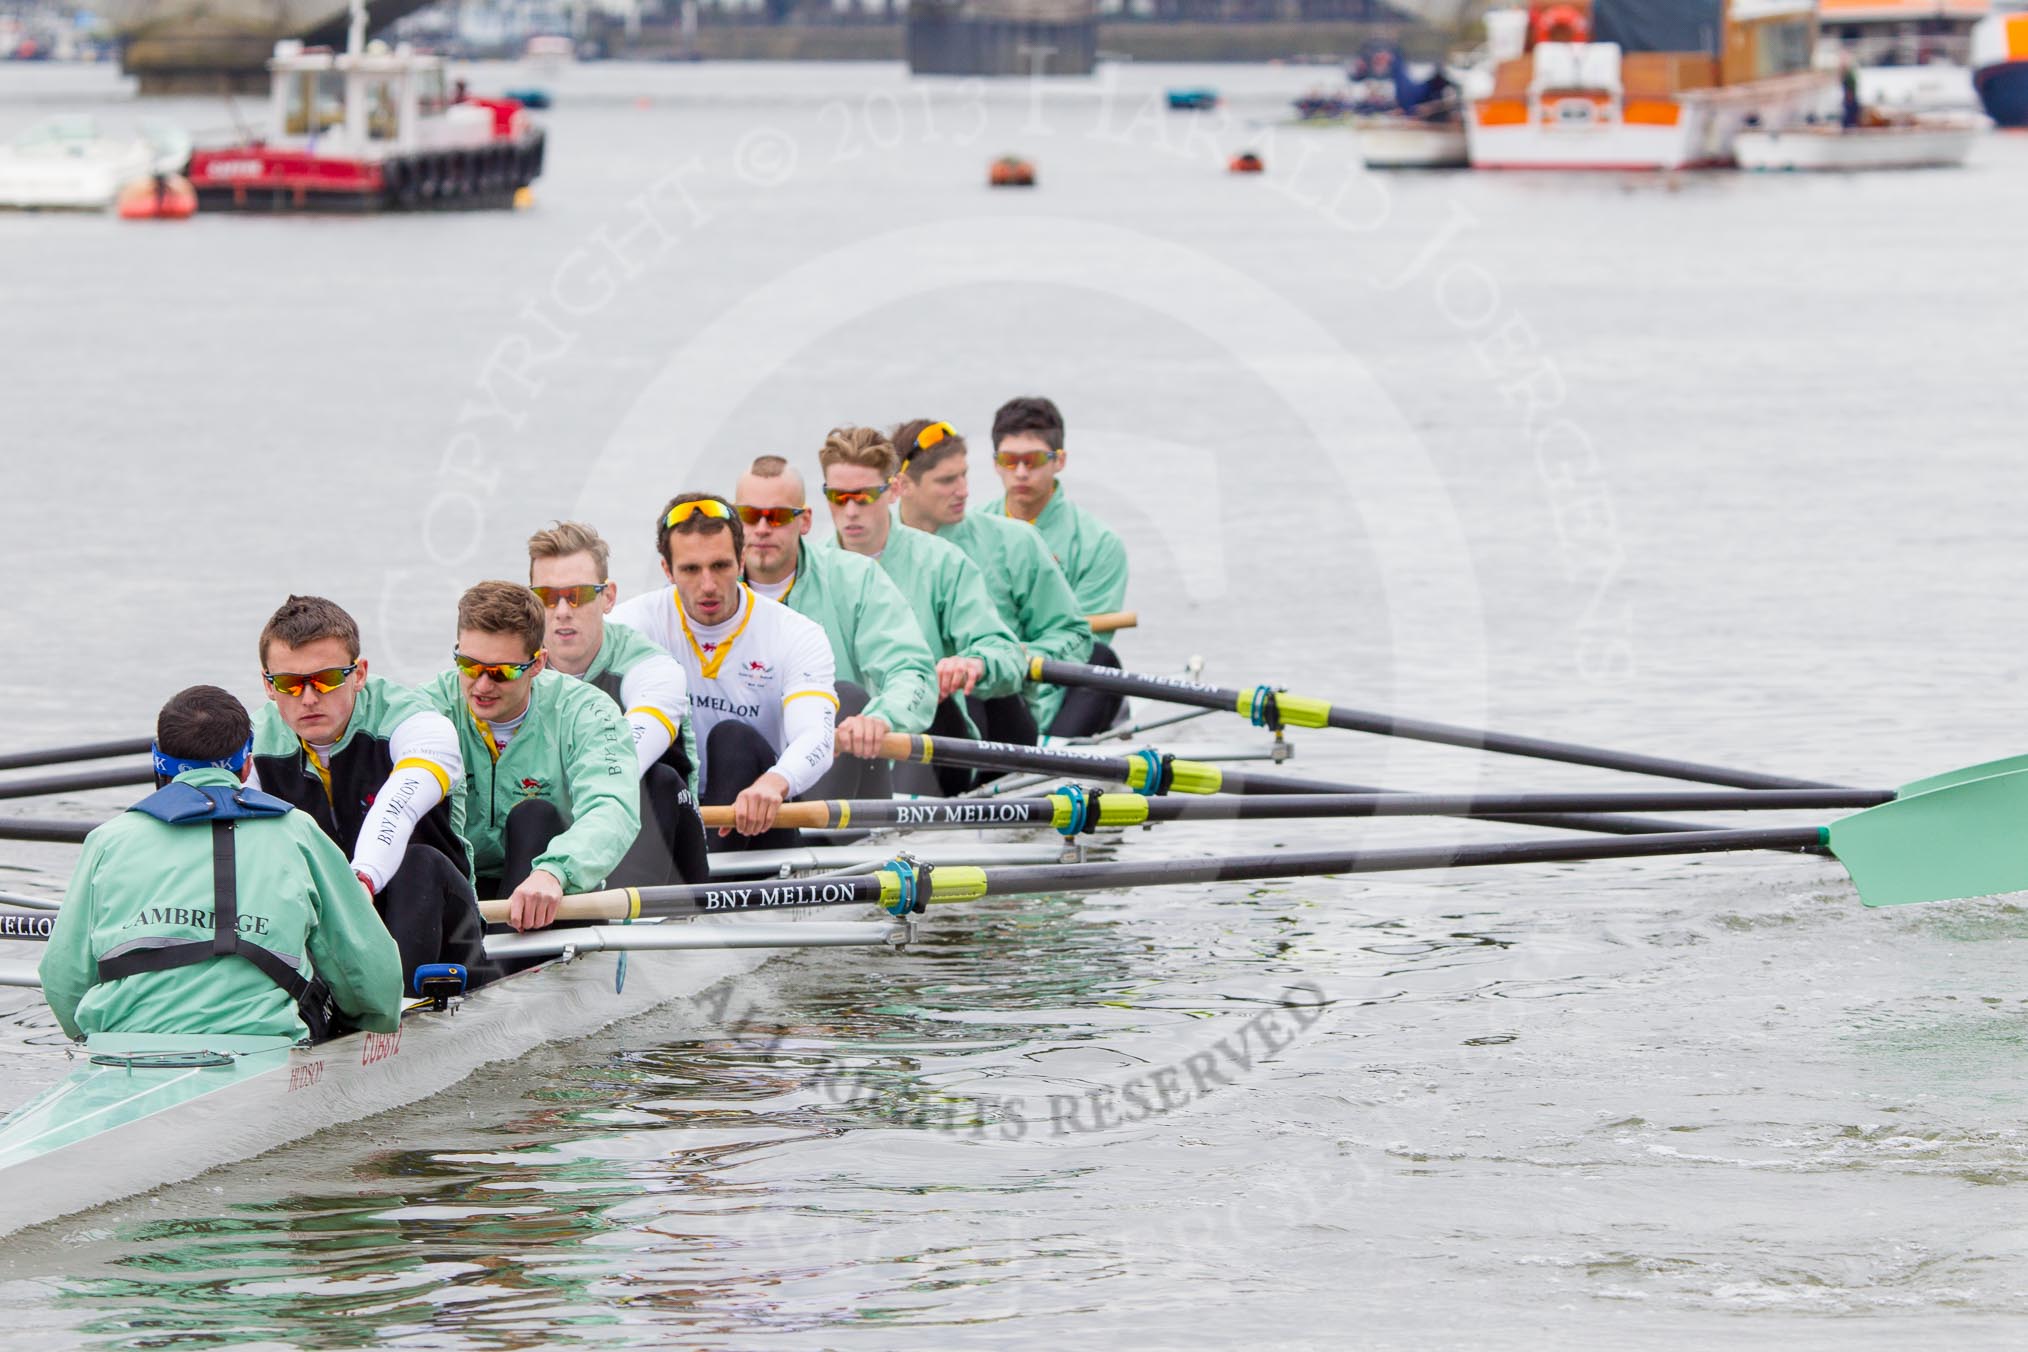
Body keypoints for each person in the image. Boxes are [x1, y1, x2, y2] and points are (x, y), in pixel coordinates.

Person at [40, 685, 402, 1043]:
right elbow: (374, 978)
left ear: (157, 760)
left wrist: (91, 1038)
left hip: (119, 1046)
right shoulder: (298, 832)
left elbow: (62, 978)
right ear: (247, 762)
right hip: (265, 1043)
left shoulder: (108, 839)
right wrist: (362, 1028)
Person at [249, 595, 488, 987]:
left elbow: (399, 807)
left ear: (358, 673)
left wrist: (360, 880)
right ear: (268, 685)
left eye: (325, 680)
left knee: (420, 863)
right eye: (290, 684)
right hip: (330, 933)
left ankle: (396, 1010)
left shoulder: (418, 722)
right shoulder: (255, 744)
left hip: (440, 931)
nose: (308, 699)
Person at [611, 494, 838, 850]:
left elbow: (817, 740)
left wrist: (777, 780)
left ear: (742, 559)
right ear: (667, 570)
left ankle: (704, 891)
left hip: (760, 811)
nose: (708, 585)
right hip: (676, 805)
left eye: (720, 566)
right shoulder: (630, 624)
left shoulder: (796, 633)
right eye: (690, 570)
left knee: (732, 738)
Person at [421, 581, 643, 934]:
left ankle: (504, 964)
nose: (481, 685)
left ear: (537, 663)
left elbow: (612, 807)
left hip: (550, 888)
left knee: (534, 815)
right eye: (468, 664)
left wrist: (555, 870)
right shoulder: (429, 709)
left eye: (502, 672)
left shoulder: (587, 711)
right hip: (464, 887)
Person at [815, 426, 1028, 792]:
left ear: (894, 490)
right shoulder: (809, 569)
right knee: (843, 697)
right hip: (842, 741)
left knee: (920, 690)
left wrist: (974, 661)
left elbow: (1007, 654)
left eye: (864, 496)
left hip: (930, 738)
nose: (850, 511)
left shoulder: (942, 562)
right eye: (838, 496)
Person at [735, 454, 938, 800]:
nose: (763, 528)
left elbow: (912, 670)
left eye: (779, 516)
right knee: (729, 736)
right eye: (750, 516)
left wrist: (880, 718)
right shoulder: (708, 590)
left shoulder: (856, 579)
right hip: (747, 772)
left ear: (805, 521)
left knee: (848, 696)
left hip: (837, 765)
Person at [527, 521, 709, 885]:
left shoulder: (652, 667)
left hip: (668, 856)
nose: (562, 610)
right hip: (570, 846)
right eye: (547, 596)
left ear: (608, 597)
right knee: (530, 810)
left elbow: (625, 758)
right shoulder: (512, 670)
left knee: (655, 779)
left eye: (577, 595)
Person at [890, 418, 1095, 737]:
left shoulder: (1016, 542)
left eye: (964, 475)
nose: (964, 491)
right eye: (947, 481)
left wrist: (1011, 658)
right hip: (904, 711)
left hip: (995, 711)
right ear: (901, 486)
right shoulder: (862, 552)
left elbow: (1075, 635)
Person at [981, 396, 1131, 739]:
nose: (1020, 472)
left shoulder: (1100, 544)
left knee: (1102, 658)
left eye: (1032, 460)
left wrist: (1015, 655)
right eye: (1009, 460)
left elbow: (1082, 647)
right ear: (995, 463)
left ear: (1058, 460)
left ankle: (1050, 756)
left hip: (1061, 690)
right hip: (993, 684)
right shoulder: (967, 532)